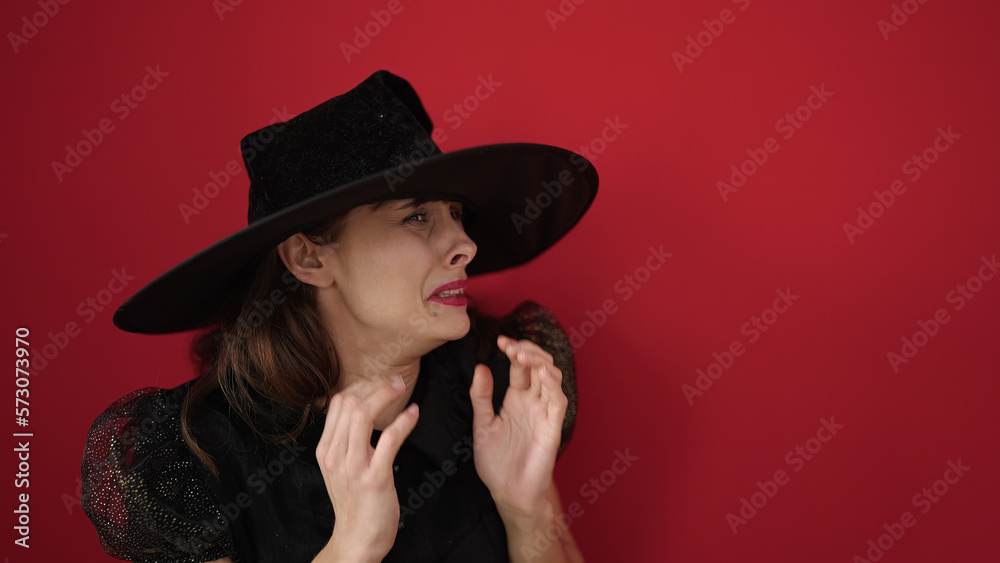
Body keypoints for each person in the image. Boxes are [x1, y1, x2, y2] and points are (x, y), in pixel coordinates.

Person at [81, 70, 598, 562]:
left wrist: (526, 509)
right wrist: (352, 549)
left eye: (457, 216)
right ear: (309, 258)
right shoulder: (196, 455)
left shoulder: (496, 387)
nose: (465, 244)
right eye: (417, 216)